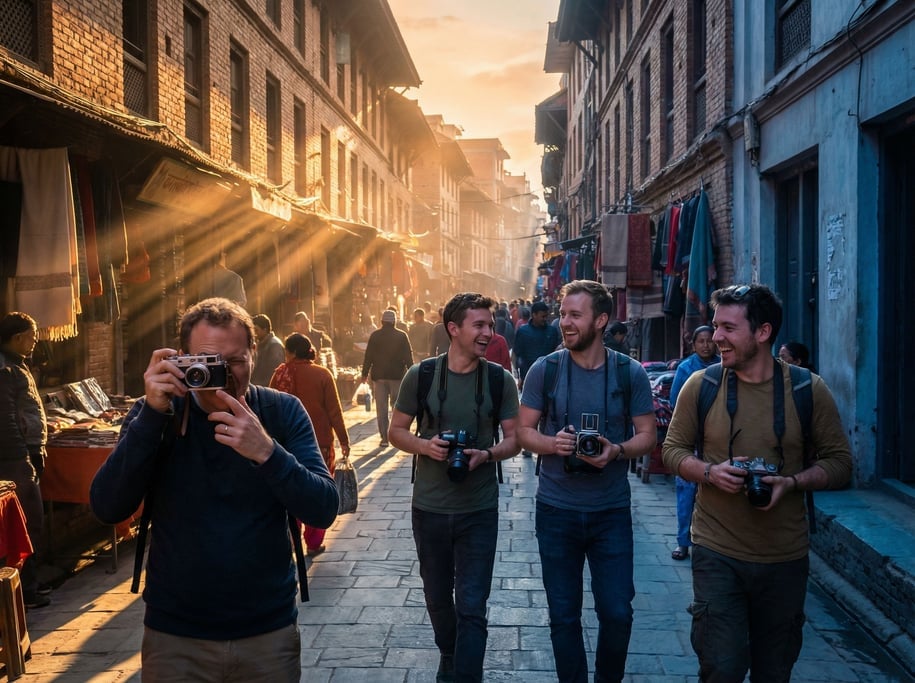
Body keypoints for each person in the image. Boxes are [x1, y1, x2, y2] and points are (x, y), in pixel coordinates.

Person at [90, 297, 338, 681]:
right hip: (175, 636)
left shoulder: (281, 412)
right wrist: (152, 417)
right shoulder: (156, 413)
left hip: (266, 633)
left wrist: (267, 451)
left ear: (254, 354)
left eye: (234, 361)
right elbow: (107, 506)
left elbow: (323, 508)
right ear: (181, 359)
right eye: (206, 363)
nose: (222, 373)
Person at [662, 284, 852, 682]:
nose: (716, 338)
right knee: (722, 668)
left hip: (784, 558)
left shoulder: (807, 390)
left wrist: (792, 482)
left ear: (763, 332)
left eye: (728, 328)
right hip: (716, 551)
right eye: (715, 327)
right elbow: (673, 451)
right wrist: (712, 472)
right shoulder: (702, 385)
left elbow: (840, 465)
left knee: (774, 671)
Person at [517, 281, 656, 683]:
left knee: (617, 612)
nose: (565, 323)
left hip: (610, 512)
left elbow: (648, 435)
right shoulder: (547, 369)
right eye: (563, 314)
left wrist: (617, 451)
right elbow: (523, 432)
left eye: (575, 315)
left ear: (601, 320)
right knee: (563, 614)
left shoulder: (629, 373)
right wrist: (554, 443)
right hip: (556, 510)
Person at [388, 292, 520, 683]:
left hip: (479, 509)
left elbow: (515, 439)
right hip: (429, 507)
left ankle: (465, 674)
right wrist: (426, 447)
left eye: (490, 325)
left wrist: (488, 455)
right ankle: (449, 651)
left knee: (473, 604)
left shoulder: (499, 379)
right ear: (453, 329)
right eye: (479, 325)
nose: (488, 333)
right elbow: (396, 431)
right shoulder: (423, 375)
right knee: (436, 598)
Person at [270, 333, 350, 557]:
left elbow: (270, 407)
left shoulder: (280, 373)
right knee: (317, 488)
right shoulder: (322, 374)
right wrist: (344, 440)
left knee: (290, 488)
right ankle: (314, 542)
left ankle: (292, 540)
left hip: (286, 442)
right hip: (320, 443)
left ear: (292, 352)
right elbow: (334, 411)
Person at [0, 312, 50, 609]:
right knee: (26, 523)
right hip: (14, 458)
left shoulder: (15, 365)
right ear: (18, 338)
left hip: (21, 454)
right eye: (31, 337)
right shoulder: (5, 369)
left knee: (29, 521)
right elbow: (5, 416)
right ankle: (25, 590)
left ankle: (28, 587)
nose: (34, 343)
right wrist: (22, 453)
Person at [667, 325, 719, 561]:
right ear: (694, 344)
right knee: (687, 491)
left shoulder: (724, 365)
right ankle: (683, 542)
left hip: (720, 436)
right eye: (701, 341)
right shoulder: (686, 368)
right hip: (692, 436)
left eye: (710, 341)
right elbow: (675, 401)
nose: (706, 345)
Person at [361, 309, 413, 448]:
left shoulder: (375, 336)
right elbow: (408, 356)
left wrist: (364, 373)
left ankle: (384, 438)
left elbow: (368, 356)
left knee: (381, 408)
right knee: (397, 407)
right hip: (397, 377)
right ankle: (398, 436)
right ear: (394, 321)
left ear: (382, 321)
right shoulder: (402, 336)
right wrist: (412, 372)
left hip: (380, 378)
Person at [512, 301, 561, 390]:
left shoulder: (552, 331)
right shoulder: (523, 331)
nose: (545, 319)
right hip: (528, 376)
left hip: (549, 378)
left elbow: (557, 352)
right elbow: (516, 353)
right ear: (534, 315)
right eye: (543, 316)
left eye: (546, 316)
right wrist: (518, 375)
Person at [251, 313, 285, 386]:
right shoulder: (260, 344)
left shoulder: (274, 345)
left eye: (256, 330)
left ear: (265, 329)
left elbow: (274, 372)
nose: (254, 334)